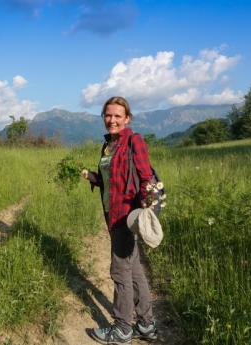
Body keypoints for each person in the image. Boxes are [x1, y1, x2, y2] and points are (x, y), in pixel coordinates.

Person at [82, 96, 157, 344]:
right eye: (107, 115)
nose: (111, 120)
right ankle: (146, 324)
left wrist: (146, 199)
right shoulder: (108, 145)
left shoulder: (133, 141)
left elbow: (146, 177)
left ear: (127, 118)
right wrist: (95, 177)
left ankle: (123, 329)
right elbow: (112, 181)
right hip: (110, 212)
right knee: (133, 267)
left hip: (125, 215)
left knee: (120, 270)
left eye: (117, 116)